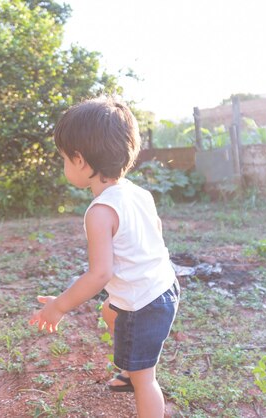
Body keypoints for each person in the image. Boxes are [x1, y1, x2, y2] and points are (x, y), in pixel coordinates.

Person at [29, 97, 179, 418]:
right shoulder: (140, 193)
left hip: (144, 304)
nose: (64, 165)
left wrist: (59, 306)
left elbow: (99, 275)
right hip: (163, 287)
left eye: (64, 159)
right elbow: (155, 234)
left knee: (147, 381)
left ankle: (137, 375)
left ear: (80, 160)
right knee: (110, 311)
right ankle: (129, 368)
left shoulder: (99, 212)